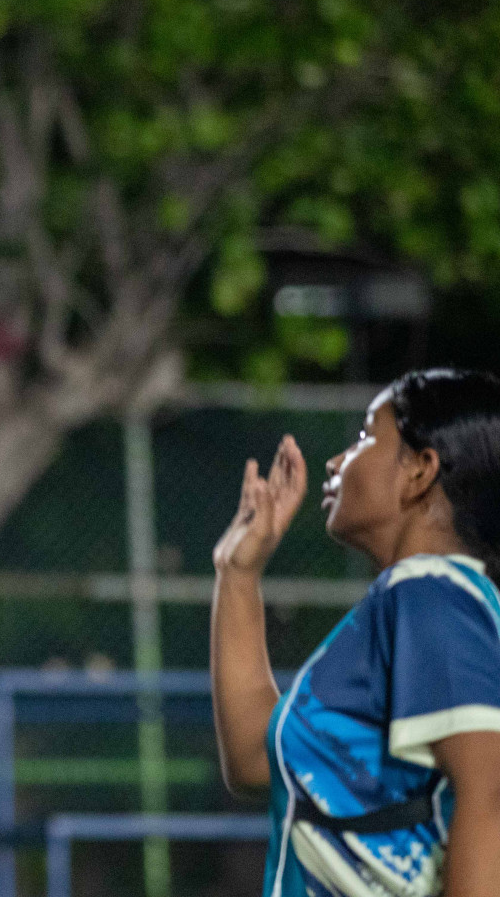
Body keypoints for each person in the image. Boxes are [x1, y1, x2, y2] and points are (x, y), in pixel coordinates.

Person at [211, 368, 500, 897]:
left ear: (419, 470)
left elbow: (490, 796)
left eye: (367, 436)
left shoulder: (431, 591)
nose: (337, 460)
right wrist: (238, 573)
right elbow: (256, 758)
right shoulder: (415, 604)